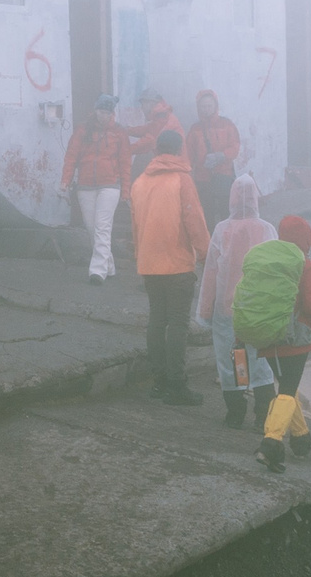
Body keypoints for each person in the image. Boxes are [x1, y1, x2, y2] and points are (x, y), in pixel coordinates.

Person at [131, 127, 208, 407]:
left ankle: (159, 381)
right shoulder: (182, 180)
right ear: (179, 150)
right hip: (177, 263)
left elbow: (135, 225)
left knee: (156, 321)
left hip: (149, 263)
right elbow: (194, 219)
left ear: (155, 151)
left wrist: (140, 256)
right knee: (177, 324)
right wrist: (205, 253)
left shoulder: (140, 182)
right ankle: (176, 385)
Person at [195, 174, 277, 429]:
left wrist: (205, 309)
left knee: (234, 359)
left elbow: (211, 271)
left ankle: (235, 411)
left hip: (227, 309)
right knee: (261, 359)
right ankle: (263, 415)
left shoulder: (222, 230)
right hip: (258, 309)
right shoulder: (266, 229)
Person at [256, 215, 311, 472]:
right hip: (295, 339)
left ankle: (301, 439)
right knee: (288, 391)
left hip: (268, 334)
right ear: (306, 240)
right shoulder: (305, 265)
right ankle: (270, 443)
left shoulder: (268, 260)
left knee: (286, 389)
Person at [60, 94, 131, 286]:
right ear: (95, 110)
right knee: (92, 228)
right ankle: (108, 265)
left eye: (107, 112)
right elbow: (71, 156)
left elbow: (125, 162)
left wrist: (125, 190)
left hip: (110, 185)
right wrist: (65, 181)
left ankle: (97, 271)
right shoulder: (83, 130)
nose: (103, 115)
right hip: (85, 186)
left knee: (102, 226)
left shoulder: (119, 132)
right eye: (101, 111)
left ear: (112, 113)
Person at [184, 89, 242, 229]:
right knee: (206, 214)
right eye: (203, 106)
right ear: (198, 107)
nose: (206, 109)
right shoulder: (195, 129)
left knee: (225, 212)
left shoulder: (227, 124)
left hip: (224, 176)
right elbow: (188, 154)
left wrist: (222, 155)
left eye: (209, 106)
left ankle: (227, 238)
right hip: (203, 178)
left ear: (215, 105)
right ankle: (209, 240)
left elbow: (235, 146)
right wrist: (186, 174)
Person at [126, 87, 184, 177]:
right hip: (172, 162)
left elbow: (149, 141)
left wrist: (126, 150)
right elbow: (149, 129)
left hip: (175, 165)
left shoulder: (162, 116)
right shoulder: (161, 115)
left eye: (143, 104)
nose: (141, 108)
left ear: (150, 103)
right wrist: (128, 130)